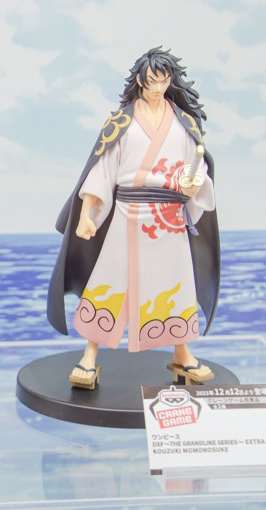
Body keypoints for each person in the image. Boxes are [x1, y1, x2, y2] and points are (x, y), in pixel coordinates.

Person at [46, 47, 220, 389]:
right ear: (140, 79)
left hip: (169, 217)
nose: (158, 86)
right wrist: (86, 214)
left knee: (175, 284)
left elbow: (196, 165)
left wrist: (193, 182)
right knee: (110, 281)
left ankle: (182, 352)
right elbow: (102, 170)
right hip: (128, 214)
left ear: (171, 81)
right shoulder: (122, 123)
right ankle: (90, 354)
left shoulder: (183, 123)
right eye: (152, 79)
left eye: (164, 80)